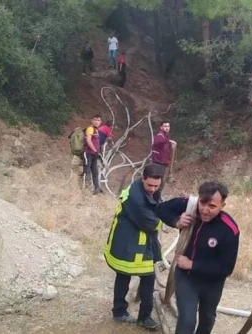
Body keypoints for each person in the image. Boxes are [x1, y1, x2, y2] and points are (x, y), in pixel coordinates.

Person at [104, 164, 192, 331]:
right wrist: (175, 222)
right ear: (142, 178)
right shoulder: (136, 198)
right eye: (149, 185)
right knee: (126, 275)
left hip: (139, 239)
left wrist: (181, 203)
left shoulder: (147, 189)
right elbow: (152, 222)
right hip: (128, 241)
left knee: (146, 276)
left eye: (156, 186)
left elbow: (160, 206)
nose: (153, 189)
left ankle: (135, 313)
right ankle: (126, 313)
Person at [156, 181, 240, 334]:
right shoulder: (190, 206)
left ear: (223, 205)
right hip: (186, 278)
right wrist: (176, 221)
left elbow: (226, 268)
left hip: (212, 283)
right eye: (203, 203)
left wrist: (193, 265)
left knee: (207, 320)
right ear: (199, 198)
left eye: (212, 206)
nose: (205, 210)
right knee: (187, 321)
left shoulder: (229, 229)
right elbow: (160, 209)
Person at [151, 121, 176, 197]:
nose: (167, 128)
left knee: (162, 183)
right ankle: (154, 198)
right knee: (157, 183)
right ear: (161, 127)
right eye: (165, 126)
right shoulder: (159, 136)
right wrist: (169, 141)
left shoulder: (165, 136)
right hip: (158, 164)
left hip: (164, 164)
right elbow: (157, 141)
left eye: (168, 126)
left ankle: (157, 198)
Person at [83, 115, 102, 194]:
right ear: (92, 121)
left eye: (98, 120)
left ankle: (96, 189)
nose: (96, 122)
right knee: (86, 171)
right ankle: (84, 189)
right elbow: (88, 140)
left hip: (94, 154)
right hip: (88, 153)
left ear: (100, 122)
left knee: (95, 172)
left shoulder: (97, 130)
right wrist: (94, 150)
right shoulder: (90, 129)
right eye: (95, 120)